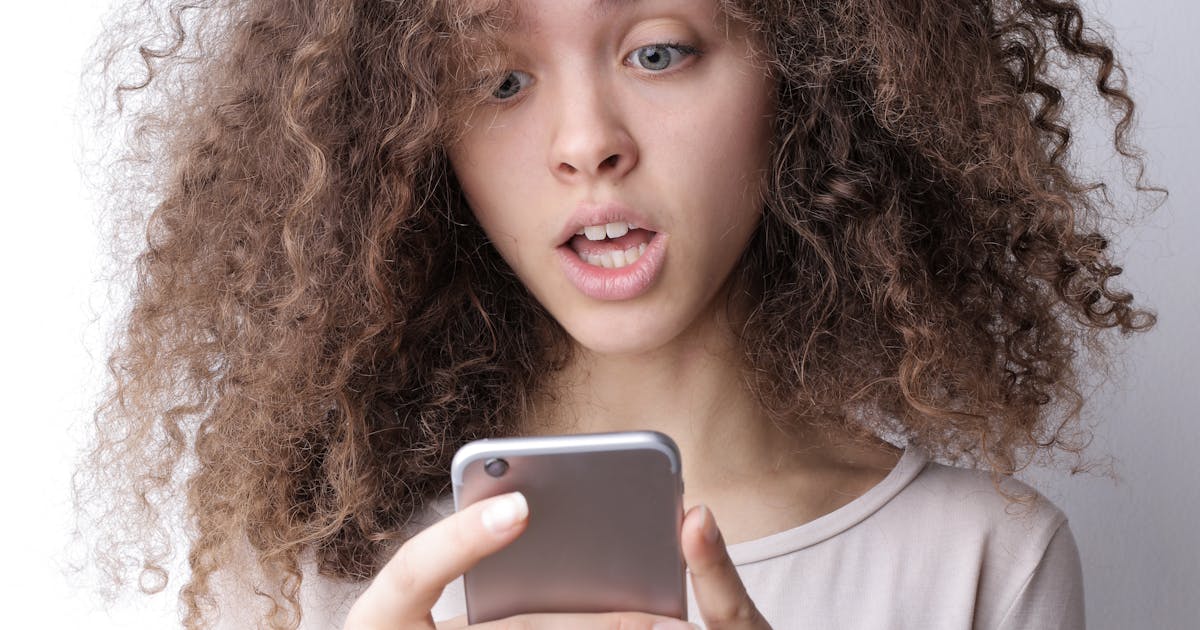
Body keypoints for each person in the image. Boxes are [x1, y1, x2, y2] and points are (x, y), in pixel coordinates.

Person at [77, 0, 1162, 628]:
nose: (585, 140)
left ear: (814, 73)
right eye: (500, 80)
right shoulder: (313, 560)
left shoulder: (982, 561)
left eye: (658, 51)